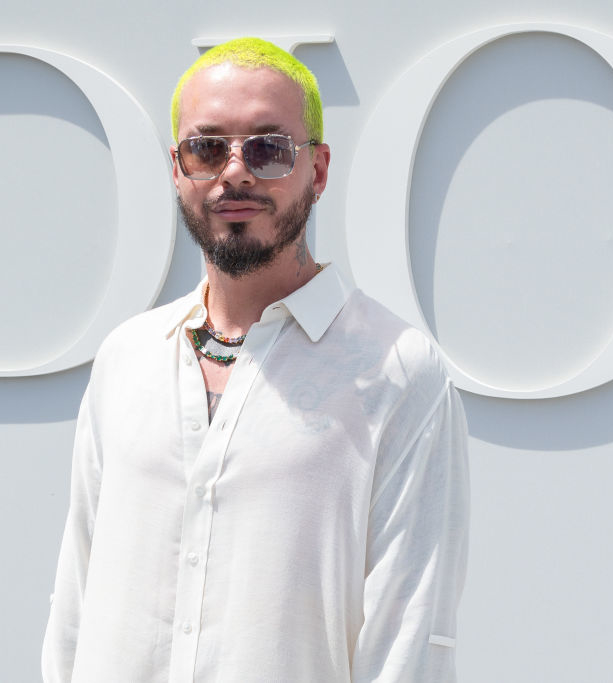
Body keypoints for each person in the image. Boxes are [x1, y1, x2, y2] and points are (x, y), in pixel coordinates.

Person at [43, 37, 469, 682]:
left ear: (318, 171)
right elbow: (73, 600)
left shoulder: (398, 371)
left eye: (269, 149)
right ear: (178, 167)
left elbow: (409, 638)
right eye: (207, 147)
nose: (235, 172)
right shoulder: (127, 357)